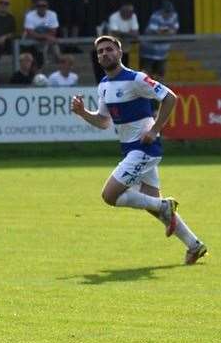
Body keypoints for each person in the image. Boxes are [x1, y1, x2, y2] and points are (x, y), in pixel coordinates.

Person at [70, 35, 207, 265]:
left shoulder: (136, 79)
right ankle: (194, 245)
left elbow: (170, 98)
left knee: (110, 195)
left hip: (144, 148)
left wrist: (154, 130)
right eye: (100, 51)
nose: (104, 54)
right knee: (153, 205)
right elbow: (104, 122)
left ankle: (164, 206)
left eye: (109, 49)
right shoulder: (104, 85)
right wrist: (83, 113)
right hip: (131, 151)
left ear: (119, 52)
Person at [140, 0, 179, 80]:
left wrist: (165, 32)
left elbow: (174, 30)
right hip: (149, 51)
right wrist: (166, 32)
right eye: (166, 12)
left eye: (169, 12)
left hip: (163, 52)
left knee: (160, 74)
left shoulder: (174, 15)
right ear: (162, 11)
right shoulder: (155, 16)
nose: (168, 14)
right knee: (146, 74)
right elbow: (156, 32)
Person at [24, 0, 61, 66]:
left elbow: (54, 31)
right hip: (32, 41)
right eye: (39, 6)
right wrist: (46, 36)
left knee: (50, 42)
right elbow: (30, 33)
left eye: (43, 6)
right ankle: (53, 59)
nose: (41, 8)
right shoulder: (29, 15)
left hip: (47, 40)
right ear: (36, 7)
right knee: (49, 40)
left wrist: (46, 37)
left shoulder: (52, 14)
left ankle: (57, 59)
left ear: (47, 7)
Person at [108, 3, 139, 67]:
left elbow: (135, 33)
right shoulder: (114, 17)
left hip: (126, 46)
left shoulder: (133, 16)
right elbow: (114, 32)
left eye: (131, 12)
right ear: (122, 12)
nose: (131, 14)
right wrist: (129, 33)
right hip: (114, 46)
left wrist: (122, 34)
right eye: (129, 12)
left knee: (125, 65)